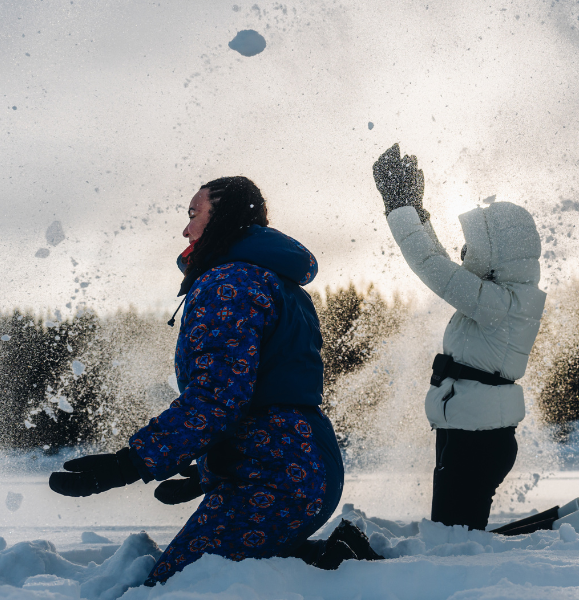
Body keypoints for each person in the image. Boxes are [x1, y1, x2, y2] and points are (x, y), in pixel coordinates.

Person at [48, 176, 377, 584]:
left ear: (224, 217)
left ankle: (344, 570)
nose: (186, 230)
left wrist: (129, 463)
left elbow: (217, 398)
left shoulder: (230, 283)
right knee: (231, 576)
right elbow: (260, 392)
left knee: (180, 588)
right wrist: (209, 467)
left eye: (193, 214)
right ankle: (339, 560)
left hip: (276, 475)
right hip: (294, 462)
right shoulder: (270, 280)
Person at [372, 144, 550, 531]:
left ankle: (539, 545)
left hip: (478, 440)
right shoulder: (502, 296)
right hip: (471, 432)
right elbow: (440, 260)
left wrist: (399, 208)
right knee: (455, 534)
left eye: (475, 245)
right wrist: (416, 213)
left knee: (455, 542)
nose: (465, 251)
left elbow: (432, 266)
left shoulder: (500, 303)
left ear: (499, 254)